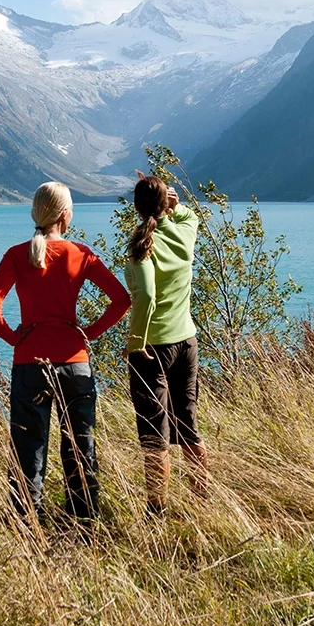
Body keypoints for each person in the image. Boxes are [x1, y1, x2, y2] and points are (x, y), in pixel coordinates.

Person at [0, 182, 130, 522]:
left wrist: (15, 339)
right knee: (81, 447)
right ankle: (83, 524)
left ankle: (26, 525)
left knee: (28, 448)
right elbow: (121, 300)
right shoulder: (81, 254)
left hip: (30, 364)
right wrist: (88, 333)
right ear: (65, 215)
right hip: (75, 365)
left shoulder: (17, 255)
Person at [123, 175, 206, 513]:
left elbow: (145, 295)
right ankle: (203, 501)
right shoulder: (184, 232)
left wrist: (134, 341)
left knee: (154, 436)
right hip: (187, 341)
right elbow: (192, 216)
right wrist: (175, 204)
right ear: (166, 203)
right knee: (188, 424)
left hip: (152, 348)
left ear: (136, 207)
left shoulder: (143, 245)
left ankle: (156, 512)